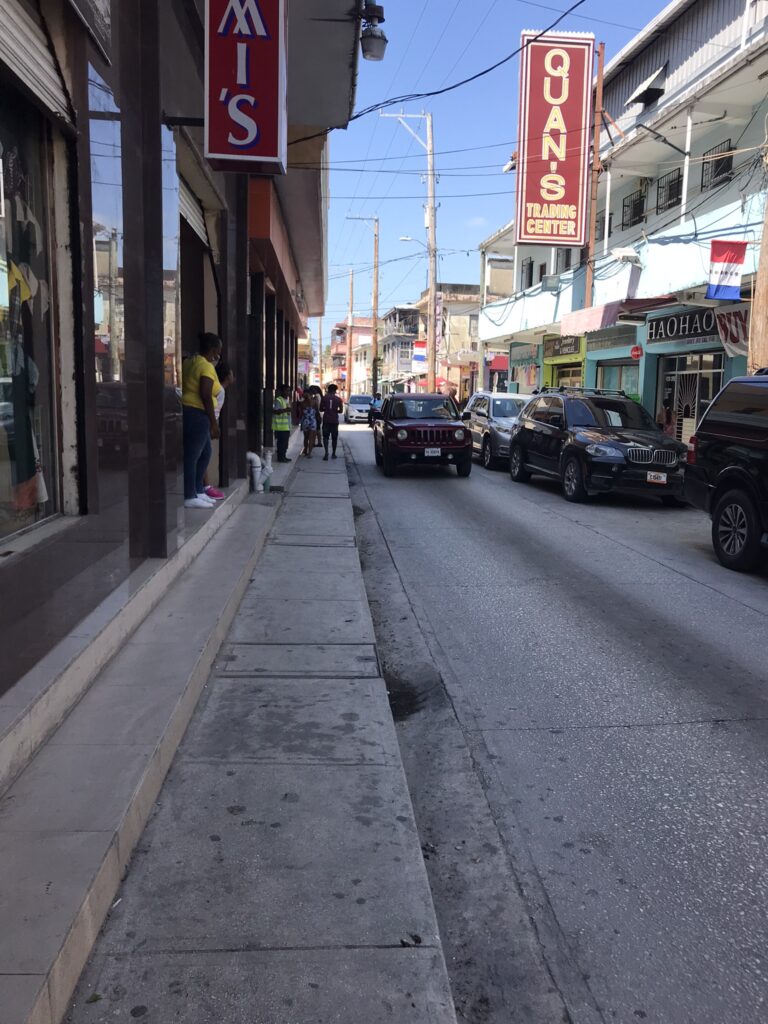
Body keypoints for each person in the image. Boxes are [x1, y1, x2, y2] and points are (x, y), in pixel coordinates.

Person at [181, 332, 222, 509]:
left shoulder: (190, 361)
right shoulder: (205, 366)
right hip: (198, 413)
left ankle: (198, 490)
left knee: (205, 453)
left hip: (192, 412)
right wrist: (214, 423)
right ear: (213, 350)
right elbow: (205, 393)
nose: (219, 355)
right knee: (193, 455)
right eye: (218, 350)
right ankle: (190, 494)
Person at [204, 360, 235, 501]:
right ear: (228, 376)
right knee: (203, 455)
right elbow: (212, 409)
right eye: (232, 373)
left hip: (206, 423)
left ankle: (204, 487)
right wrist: (213, 425)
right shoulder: (219, 390)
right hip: (206, 424)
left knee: (204, 455)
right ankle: (204, 487)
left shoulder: (218, 389)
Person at [319, 383, 344, 461]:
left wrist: (326, 409)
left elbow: (320, 409)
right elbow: (341, 411)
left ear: (328, 390)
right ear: (335, 390)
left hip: (326, 420)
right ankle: (333, 453)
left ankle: (326, 453)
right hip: (334, 420)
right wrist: (335, 410)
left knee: (325, 437)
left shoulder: (324, 398)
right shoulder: (339, 399)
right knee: (334, 438)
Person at [273, 384, 292, 462]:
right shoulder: (278, 400)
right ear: (281, 391)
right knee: (281, 443)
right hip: (280, 426)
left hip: (286, 426)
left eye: (288, 390)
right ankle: (280, 458)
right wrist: (285, 410)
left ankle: (284, 456)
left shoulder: (287, 400)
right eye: (286, 390)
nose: (288, 392)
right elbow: (275, 411)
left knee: (285, 443)